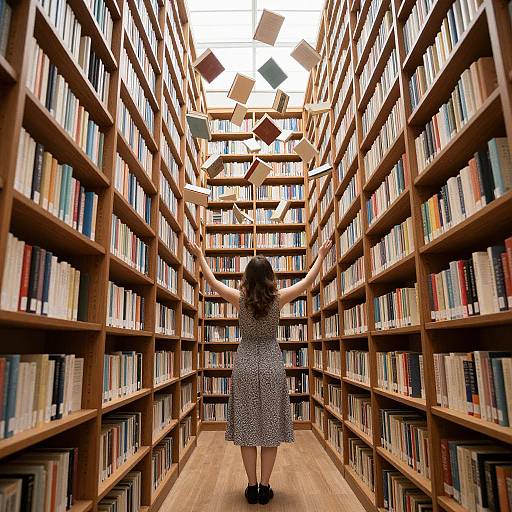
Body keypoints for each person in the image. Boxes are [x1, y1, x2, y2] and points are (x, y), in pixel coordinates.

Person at [188, 239, 333, 505]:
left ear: (246, 278)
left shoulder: (238, 299)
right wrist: (321, 255)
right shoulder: (279, 299)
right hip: (270, 363)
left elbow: (212, 282)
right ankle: (265, 488)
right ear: (270, 277)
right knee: (269, 426)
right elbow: (308, 281)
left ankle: (251, 485)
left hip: (244, 363)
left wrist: (199, 256)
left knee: (247, 427)